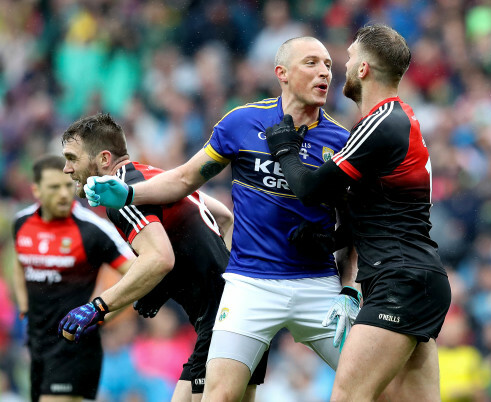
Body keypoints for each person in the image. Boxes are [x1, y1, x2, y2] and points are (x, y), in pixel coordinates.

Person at [81, 37, 360, 402]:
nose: (325, 71)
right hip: (250, 286)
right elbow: (183, 179)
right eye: (311, 62)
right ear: (282, 74)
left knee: (376, 386)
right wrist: (130, 194)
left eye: (327, 64)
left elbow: (356, 226)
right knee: (219, 396)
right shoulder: (242, 123)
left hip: (318, 288)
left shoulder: (342, 141)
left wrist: (351, 288)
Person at [263, 24, 452, 401]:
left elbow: (311, 189)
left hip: (398, 281)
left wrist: (284, 148)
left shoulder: (382, 121)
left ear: (363, 69)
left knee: (349, 396)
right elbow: (374, 210)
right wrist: (330, 239)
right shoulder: (400, 120)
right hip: (420, 279)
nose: (341, 68)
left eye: (348, 58)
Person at [58, 113, 269, 402]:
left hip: (224, 319)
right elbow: (224, 217)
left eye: (72, 158)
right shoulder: (153, 177)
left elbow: (159, 258)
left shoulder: (122, 198)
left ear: (104, 159)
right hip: (234, 310)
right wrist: (221, 279)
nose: (67, 169)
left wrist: (99, 307)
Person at [12, 155, 134, 402]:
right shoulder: (22, 222)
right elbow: (19, 261)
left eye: (68, 185)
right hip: (37, 343)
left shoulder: (93, 230)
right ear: (36, 190)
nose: (63, 194)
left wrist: (100, 315)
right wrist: (24, 305)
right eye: (54, 187)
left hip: (73, 345)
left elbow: (139, 275)